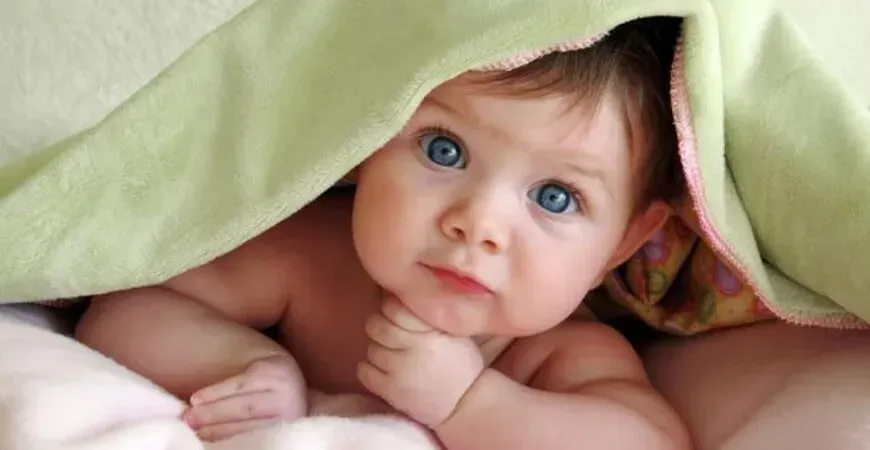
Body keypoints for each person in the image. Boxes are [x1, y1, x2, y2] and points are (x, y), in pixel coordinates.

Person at [75, 18, 692, 449]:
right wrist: (244, 361)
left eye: (555, 197)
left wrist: (471, 405)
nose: (477, 223)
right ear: (365, 142)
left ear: (622, 242)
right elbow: (124, 306)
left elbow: (650, 441)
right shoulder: (315, 257)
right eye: (444, 150)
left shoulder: (559, 354)